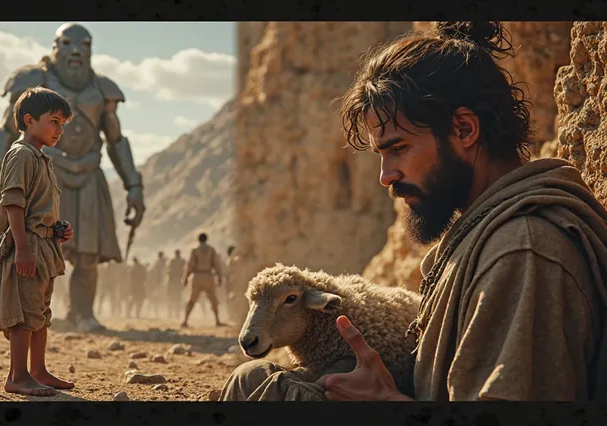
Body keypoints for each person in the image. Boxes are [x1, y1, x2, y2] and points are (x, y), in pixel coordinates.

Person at [221, 21, 607, 402]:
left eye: (399, 148)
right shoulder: (480, 235)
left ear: (465, 129)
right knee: (254, 379)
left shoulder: (521, 252)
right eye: (381, 155)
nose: (386, 177)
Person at [0, 23, 146, 333]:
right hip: (43, 174)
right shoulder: (33, 83)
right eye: (67, 43)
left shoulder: (103, 90)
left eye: (83, 45)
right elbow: (5, 134)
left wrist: (134, 186)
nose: (75, 51)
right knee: (41, 247)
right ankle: (34, 314)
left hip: (89, 177)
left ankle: (82, 314)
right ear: (55, 46)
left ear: (90, 50)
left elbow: (117, 141)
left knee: (87, 255)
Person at [0, 87, 75, 397]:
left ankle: (39, 370)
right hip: (28, 245)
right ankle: (17, 376)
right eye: (55, 122)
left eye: (63, 124)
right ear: (30, 120)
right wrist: (21, 248)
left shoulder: (40, 158)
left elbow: (37, 206)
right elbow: (13, 204)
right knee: (23, 312)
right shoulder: (21, 154)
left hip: (45, 246)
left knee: (40, 313)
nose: (59, 130)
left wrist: (57, 228)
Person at [181, 233, 225, 328]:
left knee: (192, 300)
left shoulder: (195, 250)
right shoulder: (211, 250)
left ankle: (185, 320)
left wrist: (185, 278)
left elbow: (190, 266)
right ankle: (217, 320)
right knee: (213, 299)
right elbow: (217, 264)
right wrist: (220, 277)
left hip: (197, 276)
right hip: (208, 276)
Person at [165, 249, 186, 320]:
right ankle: (174, 314)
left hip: (173, 282)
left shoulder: (172, 261)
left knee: (172, 299)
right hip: (178, 282)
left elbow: (169, 272)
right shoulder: (181, 261)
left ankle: (171, 314)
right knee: (176, 299)